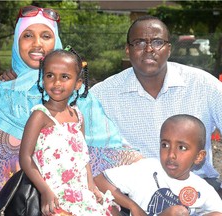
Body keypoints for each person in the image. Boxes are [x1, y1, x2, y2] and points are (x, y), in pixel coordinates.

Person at [0, 5, 141, 215]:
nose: (37, 43)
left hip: (77, 191)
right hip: (24, 200)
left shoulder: (81, 99)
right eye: (27, 35)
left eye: (46, 36)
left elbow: (98, 151)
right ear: (16, 42)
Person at [90, 15, 222, 197]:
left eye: (157, 42)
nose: (149, 49)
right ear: (127, 50)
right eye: (139, 43)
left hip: (198, 188)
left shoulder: (205, 86)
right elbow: (88, 154)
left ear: (169, 49)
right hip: (133, 194)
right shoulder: (101, 95)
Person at [20, 48, 119, 216]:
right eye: (50, 75)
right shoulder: (40, 116)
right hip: (54, 195)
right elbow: (25, 157)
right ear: (42, 79)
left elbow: (83, 157)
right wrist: (45, 191)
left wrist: (92, 187)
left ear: (78, 83)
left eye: (64, 77)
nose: (56, 83)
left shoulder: (77, 116)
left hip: (80, 193)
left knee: (112, 211)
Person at [95, 114, 222, 216]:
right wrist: (133, 206)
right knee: (177, 212)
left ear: (199, 156)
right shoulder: (147, 168)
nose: (171, 154)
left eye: (182, 147)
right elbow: (100, 180)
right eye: (165, 145)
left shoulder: (202, 188)